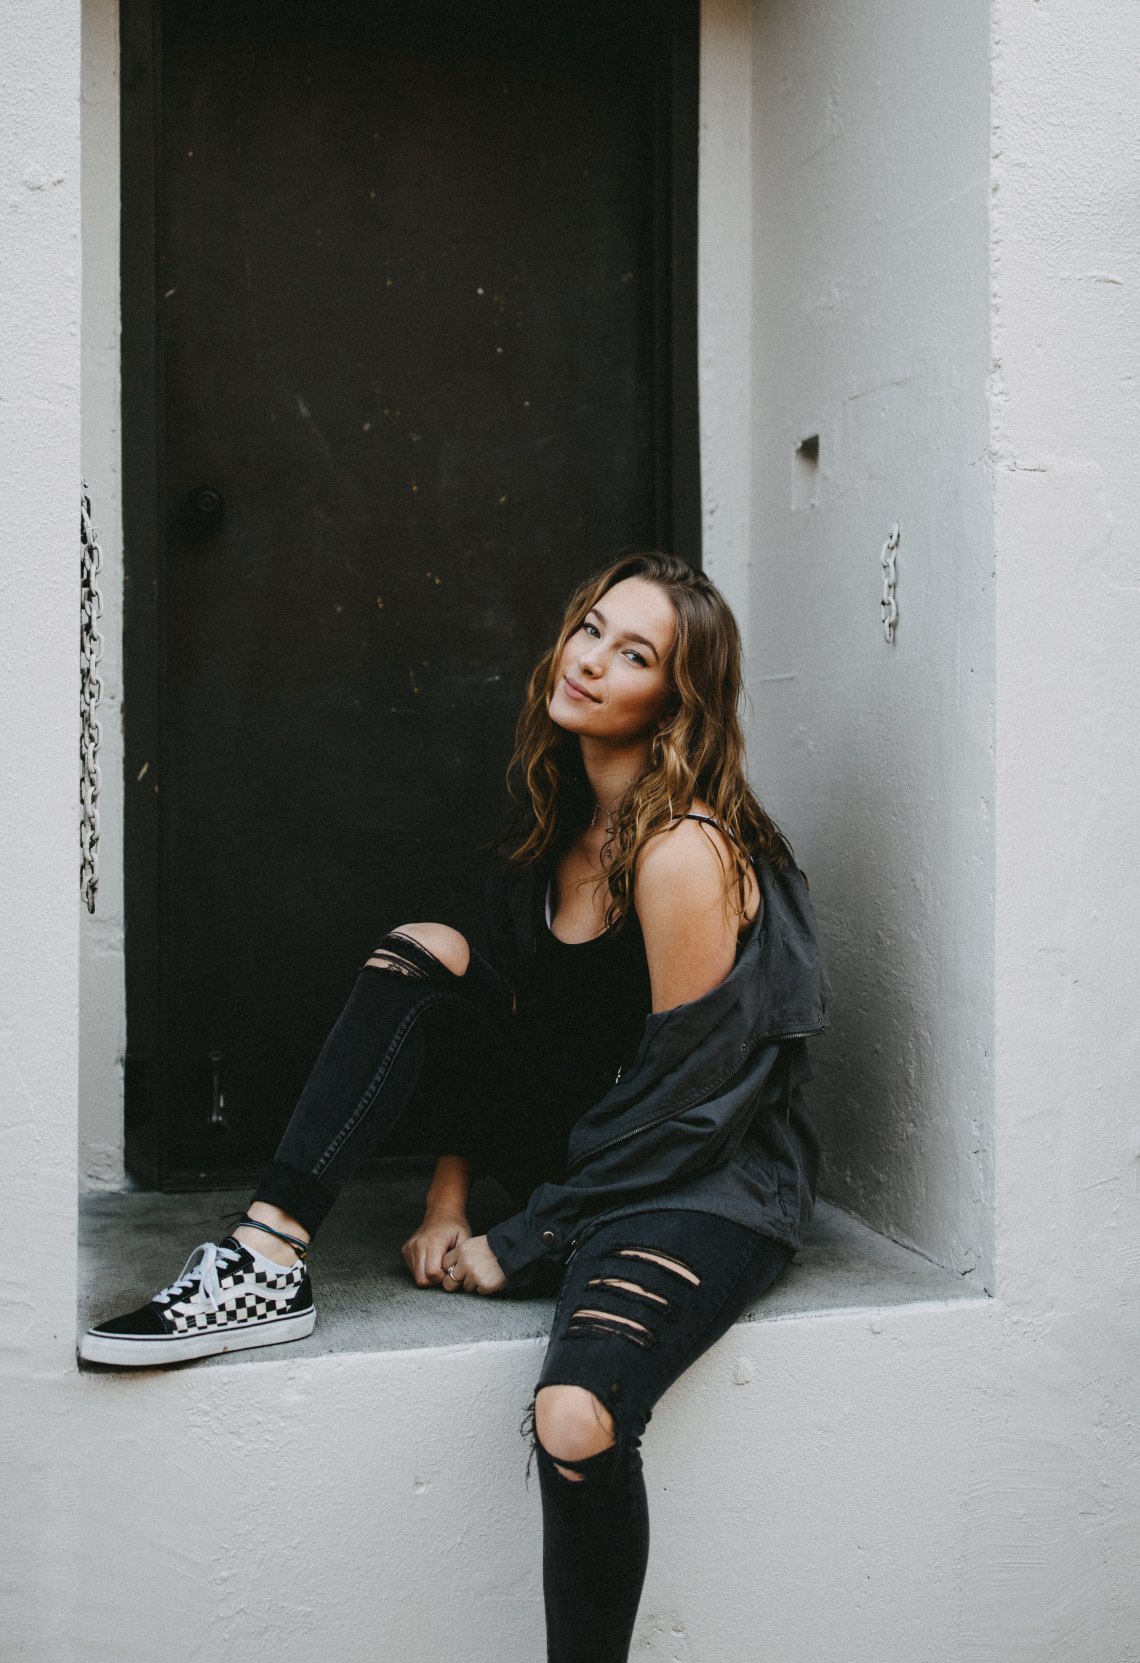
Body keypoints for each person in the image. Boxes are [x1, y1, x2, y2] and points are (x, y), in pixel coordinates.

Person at [81, 551, 825, 1663]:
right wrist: (446, 1198)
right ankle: (264, 1257)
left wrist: (520, 1240)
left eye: (635, 654)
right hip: (596, 1145)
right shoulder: (556, 835)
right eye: (589, 626)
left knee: (574, 1419)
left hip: (706, 1179)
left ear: (675, 700)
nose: (590, 659)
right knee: (428, 951)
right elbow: (519, 1050)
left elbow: (693, 1107)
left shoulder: (683, 852)